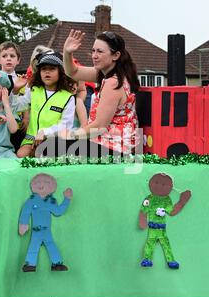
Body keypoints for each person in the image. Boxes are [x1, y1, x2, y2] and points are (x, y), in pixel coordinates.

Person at [59, 29, 140, 157]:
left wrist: (71, 135)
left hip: (113, 149)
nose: (94, 56)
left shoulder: (112, 83)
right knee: (56, 143)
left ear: (116, 55)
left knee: (50, 147)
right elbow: (72, 72)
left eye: (100, 51)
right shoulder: (107, 74)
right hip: (111, 144)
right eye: (93, 51)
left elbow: (100, 126)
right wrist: (67, 52)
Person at [15, 51, 76, 158]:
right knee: (21, 155)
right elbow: (16, 107)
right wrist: (15, 91)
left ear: (60, 71)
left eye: (52, 68)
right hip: (30, 140)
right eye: (43, 69)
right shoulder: (33, 90)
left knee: (41, 156)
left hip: (54, 141)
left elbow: (66, 126)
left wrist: (45, 132)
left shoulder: (68, 97)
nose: (47, 72)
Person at [18, 173, 73, 272]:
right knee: (33, 245)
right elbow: (25, 212)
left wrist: (67, 199)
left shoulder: (51, 201)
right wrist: (23, 224)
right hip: (36, 230)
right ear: (33, 185)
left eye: (46, 182)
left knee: (51, 245)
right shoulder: (31, 201)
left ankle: (57, 264)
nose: (41, 185)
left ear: (53, 187)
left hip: (47, 230)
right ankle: (30, 264)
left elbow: (58, 211)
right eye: (37, 182)